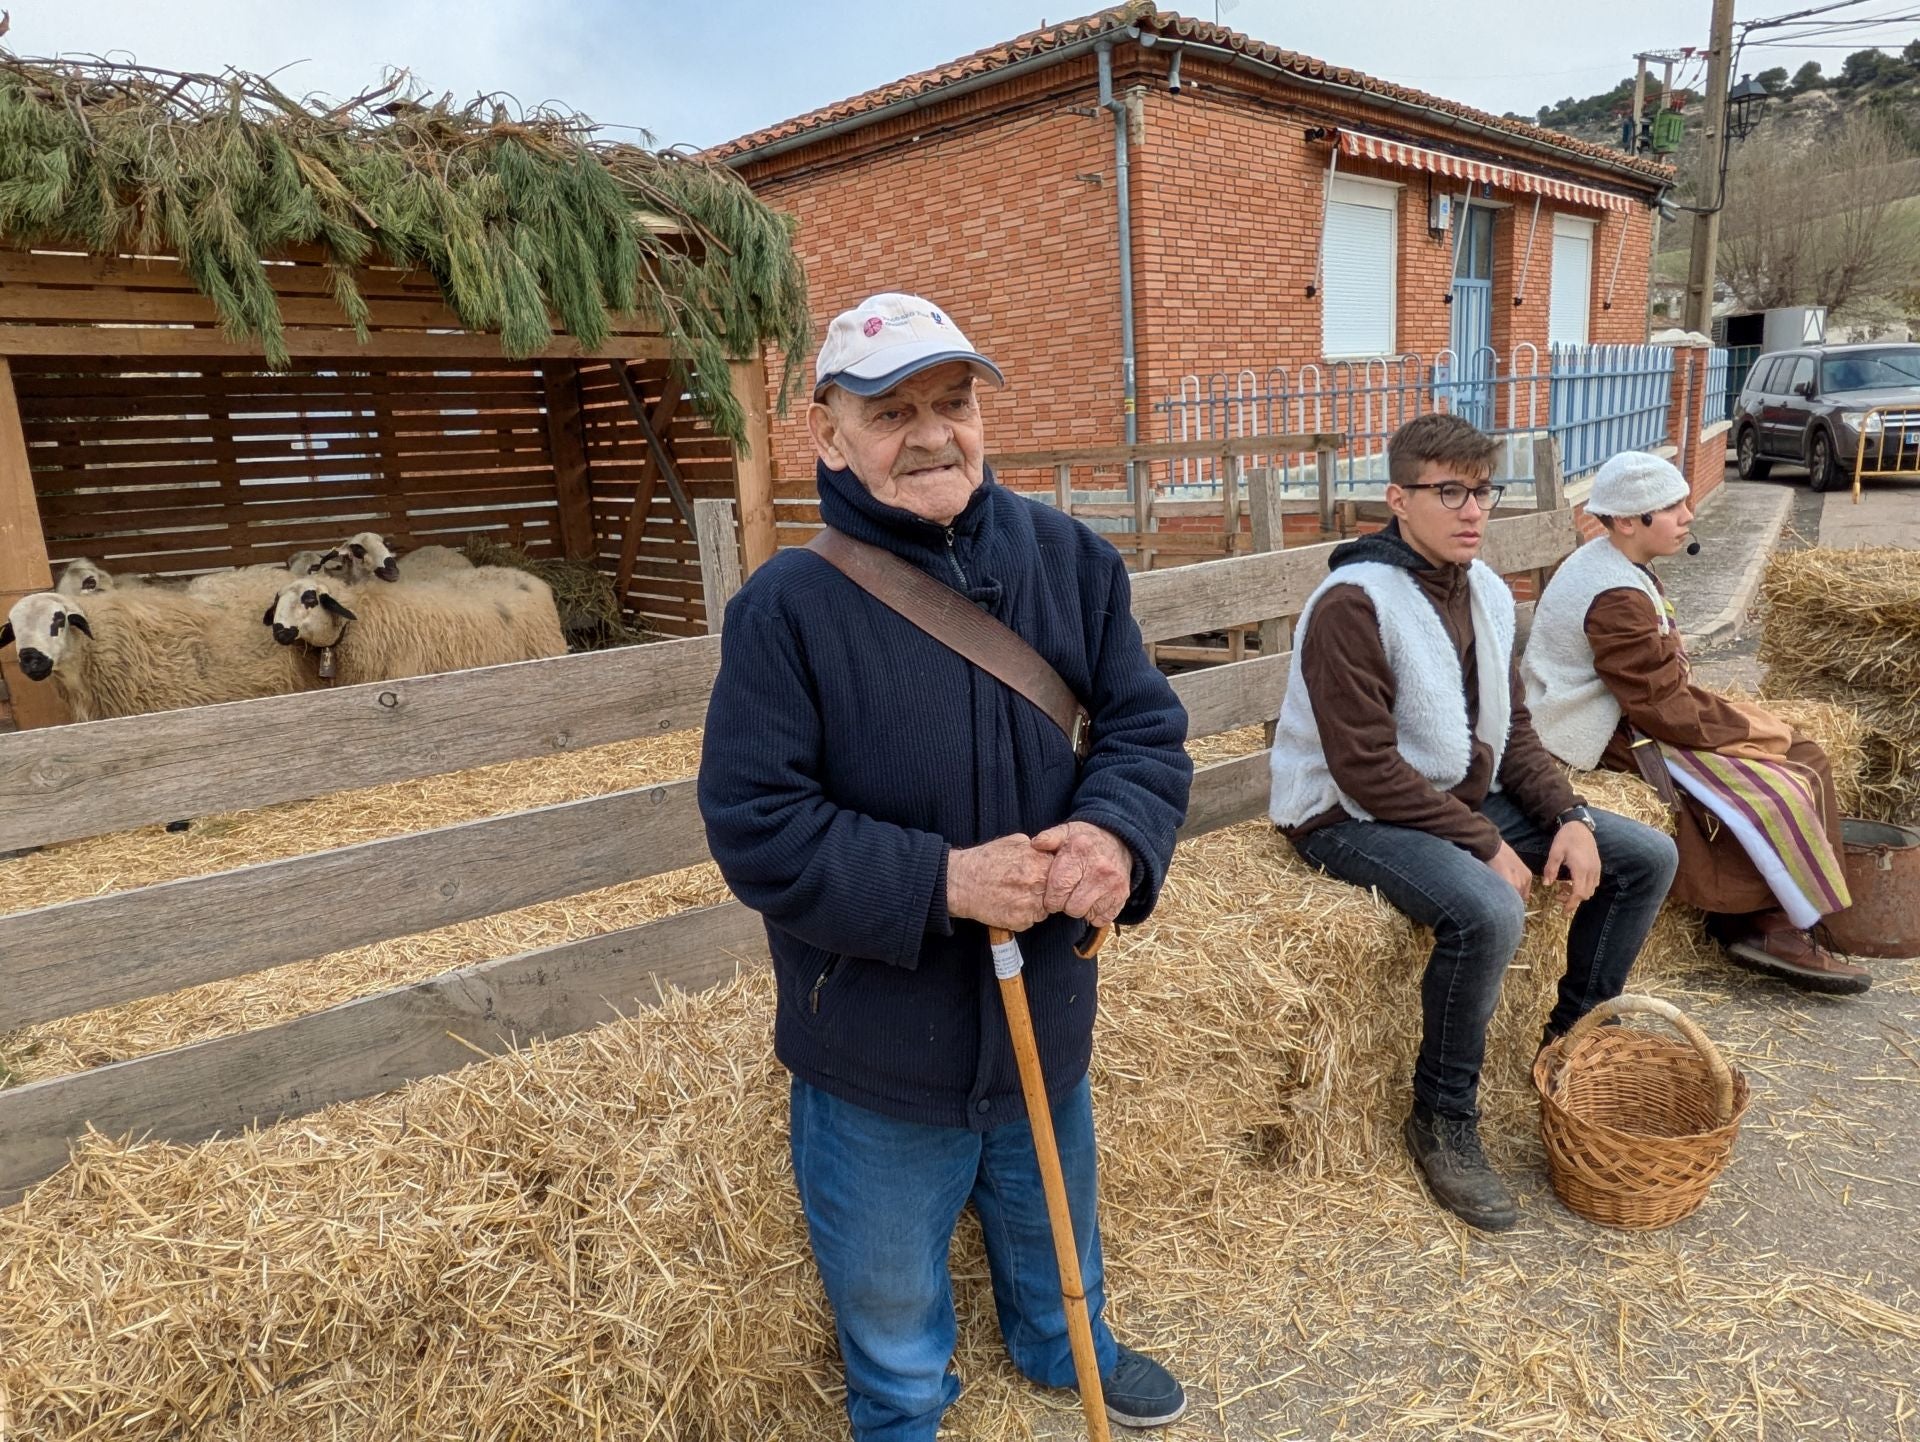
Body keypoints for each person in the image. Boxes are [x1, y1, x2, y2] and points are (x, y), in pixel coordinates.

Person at [698, 292, 1194, 1440]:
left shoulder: (1070, 558)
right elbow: (755, 820)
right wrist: (941, 883)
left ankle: (1068, 1338)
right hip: (874, 1033)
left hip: (1049, 1005)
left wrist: (1118, 833)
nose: (932, 432)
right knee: (887, 1289)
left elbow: (1142, 728)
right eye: (892, 410)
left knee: (1049, 1209)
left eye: (954, 401)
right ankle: (899, 1404)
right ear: (828, 434)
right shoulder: (788, 609)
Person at [1268, 413, 1679, 1233]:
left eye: (1481, 491)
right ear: (1398, 498)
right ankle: (1444, 1118)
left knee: (1645, 855)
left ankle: (1565, 1048)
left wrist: (1565, 814)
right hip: (1342, 813)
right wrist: (1486, 841)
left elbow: (1512, 729)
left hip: (1449, 795)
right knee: (1488, 909)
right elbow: (1365, 772)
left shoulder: (1485, 590)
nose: (1471, 510)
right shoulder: (1356, 602)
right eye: (1448, 491)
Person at [1522, 451, 1869, 994]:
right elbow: (1662, 710)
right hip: (1599, 729)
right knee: (1782, 777)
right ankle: (1765, 926)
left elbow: (1661, 692)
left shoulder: (1618, 564)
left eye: (1685, 502)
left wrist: (1744, 724)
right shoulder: (1613, 594)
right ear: (1628, 521)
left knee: (1802, 754)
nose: (1688, 515)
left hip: (1632, 711)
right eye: (1672, 507)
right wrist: (1751, 731)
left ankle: (1777, 916)